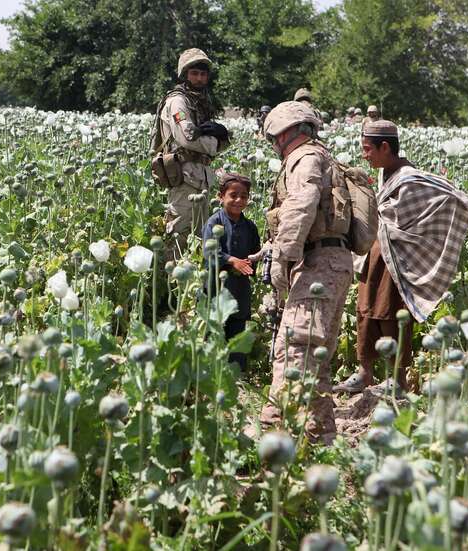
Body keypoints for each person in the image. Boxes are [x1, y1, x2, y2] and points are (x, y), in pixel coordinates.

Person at [335, 120, 468, 394]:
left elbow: (453, 198)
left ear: (384, 147)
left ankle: (397, 381)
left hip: (395, 260)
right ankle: (365, 373)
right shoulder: (385, 174)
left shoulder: (410, 179)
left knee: (390, 314)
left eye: (367, 149)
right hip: (373, 256)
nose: (365, 155)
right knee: (365, 312)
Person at [258, 101, 354, 443]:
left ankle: (278, 431)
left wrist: (282, 257)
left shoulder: (305, 159)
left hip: (318, 265)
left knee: (296, 347)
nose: (273, 144)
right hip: (332, 263)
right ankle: (318, 432)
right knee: (316, 354)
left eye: (274, 138)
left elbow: (301, 205)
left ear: (285, 132)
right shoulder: (325, 157)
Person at [152, 48, 230, 258]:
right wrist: (215, 141)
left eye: (203, 74)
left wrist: (221, 137)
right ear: (185, 74)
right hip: (184, 177)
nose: (199, 78)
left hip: (201, 177)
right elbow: (187, 136)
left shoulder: (201, 102)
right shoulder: (178, 102)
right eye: (194, 73)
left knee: (199, 238)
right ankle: (170, 287)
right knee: (179, 236)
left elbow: (223, 144)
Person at [202, 173, 261, 369]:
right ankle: (210, 369)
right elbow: (209, 252)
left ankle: (236, 373)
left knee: (237, 326)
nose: (238, 200)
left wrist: (251, 263)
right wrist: (230, 260)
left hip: (239, 287)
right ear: (221, 196)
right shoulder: (214, 222)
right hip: (215, 286)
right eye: (233, 195)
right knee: (214, 324)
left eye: (243, 196)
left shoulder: (250, 227)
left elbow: (254, 254)